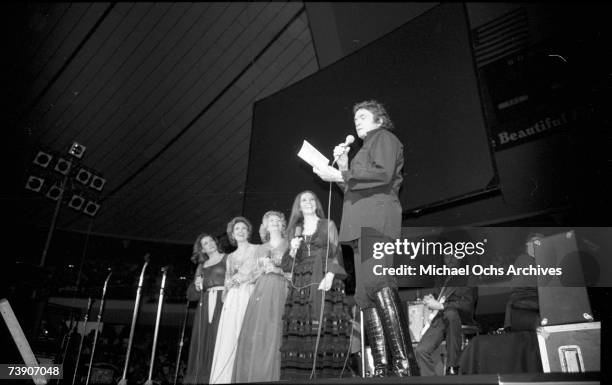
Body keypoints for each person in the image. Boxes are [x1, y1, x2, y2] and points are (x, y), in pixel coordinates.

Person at [313, 100, 418, 376]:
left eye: (363, 116)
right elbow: (353, 187)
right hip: (361, 227)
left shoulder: (383, 137)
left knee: (379, 283)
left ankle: (404, 365)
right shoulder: (362, 150)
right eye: (355, 117)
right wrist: (343, 167)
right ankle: (382, 367)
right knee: (365, 294)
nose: (357, 120)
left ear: (379, 119)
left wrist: (339, 172)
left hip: (375, 223)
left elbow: (381, 175)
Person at [279, 190, 352, 379]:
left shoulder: (328, 224)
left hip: (324, 277)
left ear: (316, 203)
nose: (308, 202)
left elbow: (337, 253)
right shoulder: (294, 230)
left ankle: (326, 375)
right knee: (304, 329)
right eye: (304, 200)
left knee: (324, 326)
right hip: (302, 283)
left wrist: (329, 275)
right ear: (298, 206)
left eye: (312, 199)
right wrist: (293, 250)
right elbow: (287, 265)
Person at [233, 211, 290, 382]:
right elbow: (252, 274)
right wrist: (235, 281)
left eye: (277, 220)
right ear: (265, 226)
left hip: (282, 290)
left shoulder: (290, 245)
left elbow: (296, 272)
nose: (274, 222)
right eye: (270, 220)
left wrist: (278, 270)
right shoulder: (260, 249)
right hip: (262, 291)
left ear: (282, 225)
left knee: (277, 331)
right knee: (259, 332)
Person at [209, 217, 259, 384]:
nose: (241, 231)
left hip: (249, 293)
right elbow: (228, 280)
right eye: (237, 229)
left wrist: (244, 279)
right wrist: (226, 297)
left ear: (248, 232)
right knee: (230, 335)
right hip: (233, 297)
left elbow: (259, 272)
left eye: (244, 228)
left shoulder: (257, 249)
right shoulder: (230, 257)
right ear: (232, 233)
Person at [414, 250, 476, 376]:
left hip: (459, 317)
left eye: (454, 254)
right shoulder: (442, 277)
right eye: (447, 255)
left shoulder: (469, 276)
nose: (450, 258)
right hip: (442, 318)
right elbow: (441, 299)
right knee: (421, 350)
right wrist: (432, 299)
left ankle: (452, 367)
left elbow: (467, 305)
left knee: (451, 313)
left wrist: (441, 305)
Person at [183, 234, 227, 384]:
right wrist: (196, 285)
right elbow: (192, 295)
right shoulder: (201, 266)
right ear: (202, 249)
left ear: (216, 242)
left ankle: (219, 376)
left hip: (223, 301)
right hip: (205, 303)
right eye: (205, 243)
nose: (210, 244)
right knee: (202, 339)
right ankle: (202, 378)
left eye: (211, 241)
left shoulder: (228, 258)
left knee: (219, 337)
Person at [502, 232, 543, 331]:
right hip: (524, 311)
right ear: (527, 245)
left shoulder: (538, 262)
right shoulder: (524, 259)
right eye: (532, 243)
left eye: (538, 243)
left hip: (522, 313)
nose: (535, 245)